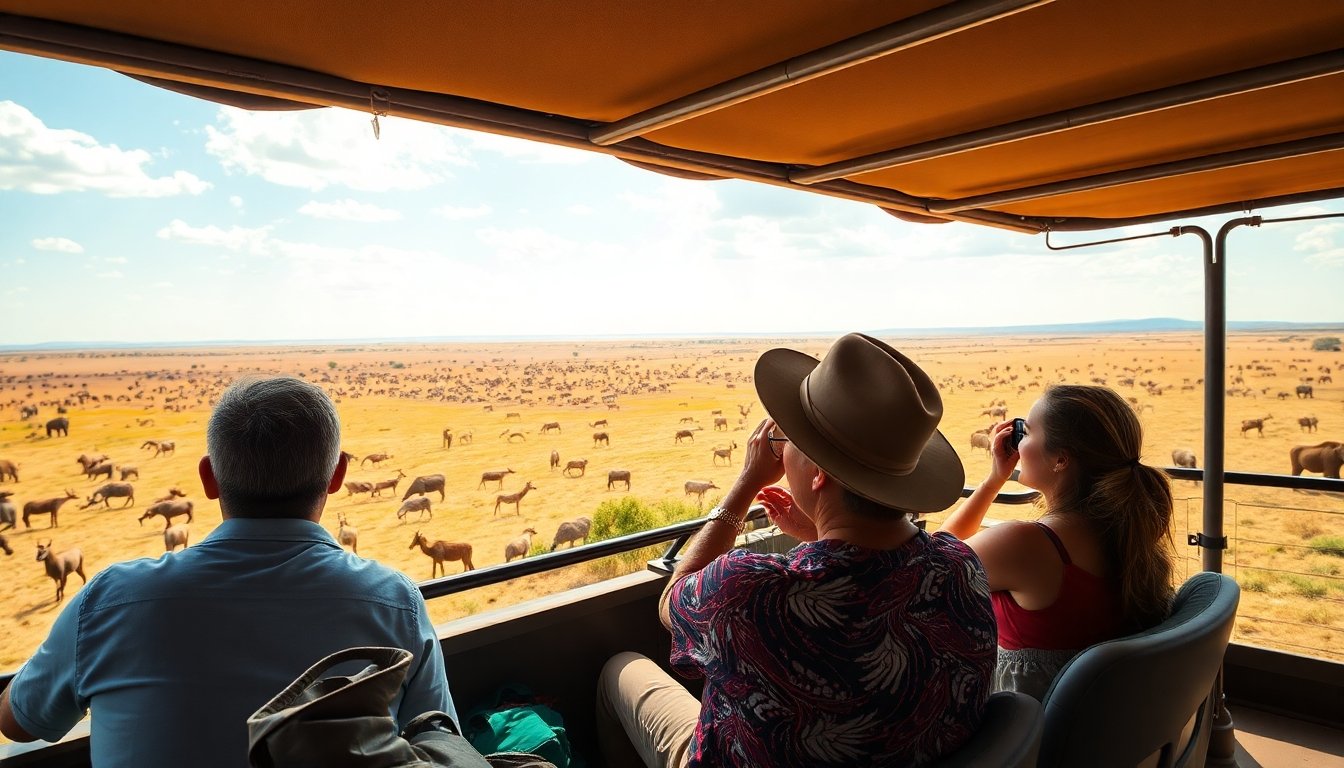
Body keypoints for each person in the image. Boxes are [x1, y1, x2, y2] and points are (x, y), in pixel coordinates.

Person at [0, 376, 456, 767]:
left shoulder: (112, 598)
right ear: (337, 476)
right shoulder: (396, 600)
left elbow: (19, 723)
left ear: (208, 478)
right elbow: (437, 737)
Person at [598, 333, 995, 768]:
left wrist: (746, 484)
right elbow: (868, 587)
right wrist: (819, 535)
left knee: (619, 671)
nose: (780, 451)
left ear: (820, 473)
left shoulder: (750, 592)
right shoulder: (962, 568)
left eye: (785, 440)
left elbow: (672, 603)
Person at [939, 384, 1175, 700]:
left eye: (1026, 430)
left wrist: (993, 480)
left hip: (1026, 734)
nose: (1017, 441)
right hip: (1093, 724)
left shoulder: (1025, 545)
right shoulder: (1125, 529)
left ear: (1061, 459)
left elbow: (936, 561)